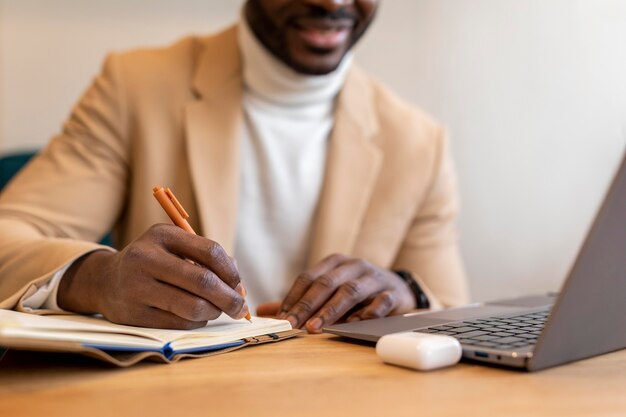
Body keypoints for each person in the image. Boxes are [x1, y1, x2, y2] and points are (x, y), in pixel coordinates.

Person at [0, 0, 469, 333]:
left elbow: (456, 311)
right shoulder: (135, 87)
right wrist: (101, 280)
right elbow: (8, 235)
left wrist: (407, 293)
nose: (332, 2)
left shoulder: (419, 141)